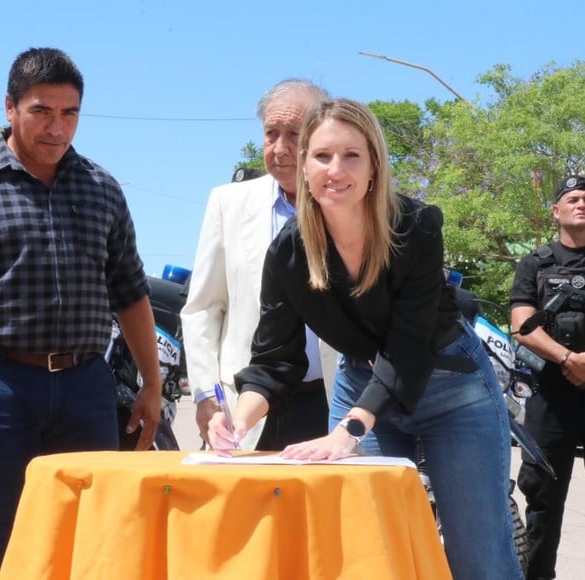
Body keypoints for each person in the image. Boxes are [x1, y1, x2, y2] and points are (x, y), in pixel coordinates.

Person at [209, 98, 522, 579]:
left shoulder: (414, 227)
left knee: (479, 560)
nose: (336, 169)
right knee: (368, 555)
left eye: (352, 155)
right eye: (322, 156)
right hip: (363, 385)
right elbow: (274, 361)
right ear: (305, 168)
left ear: (374, 166)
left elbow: (408, 345)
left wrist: (349, 431)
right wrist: (235, 419)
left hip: (450, 390)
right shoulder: (288, 252)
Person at [0, 47, 162, 580]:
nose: (56, 128)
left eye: (70, 114)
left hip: (87, 384)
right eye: (42, 111)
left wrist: (152, 383)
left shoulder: (102, 189)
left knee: (94, 537)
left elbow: (130, 292)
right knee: (9, 542)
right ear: (10, 107)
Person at [181, 79, 337, 451]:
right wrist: (206, 396)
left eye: (293, 135)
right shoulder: (227, 203)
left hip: (331, 402)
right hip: (244, 409)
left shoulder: (346, 203)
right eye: (271, 134)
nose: (280, 149)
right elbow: (203, 308)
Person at [509, 175, 585, 580]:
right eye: (572, 198)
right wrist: (568, 359)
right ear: (556, 210)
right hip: (550, 399)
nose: (581, 203)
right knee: (542, 501)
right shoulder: (535, 263)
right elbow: (521, 324)